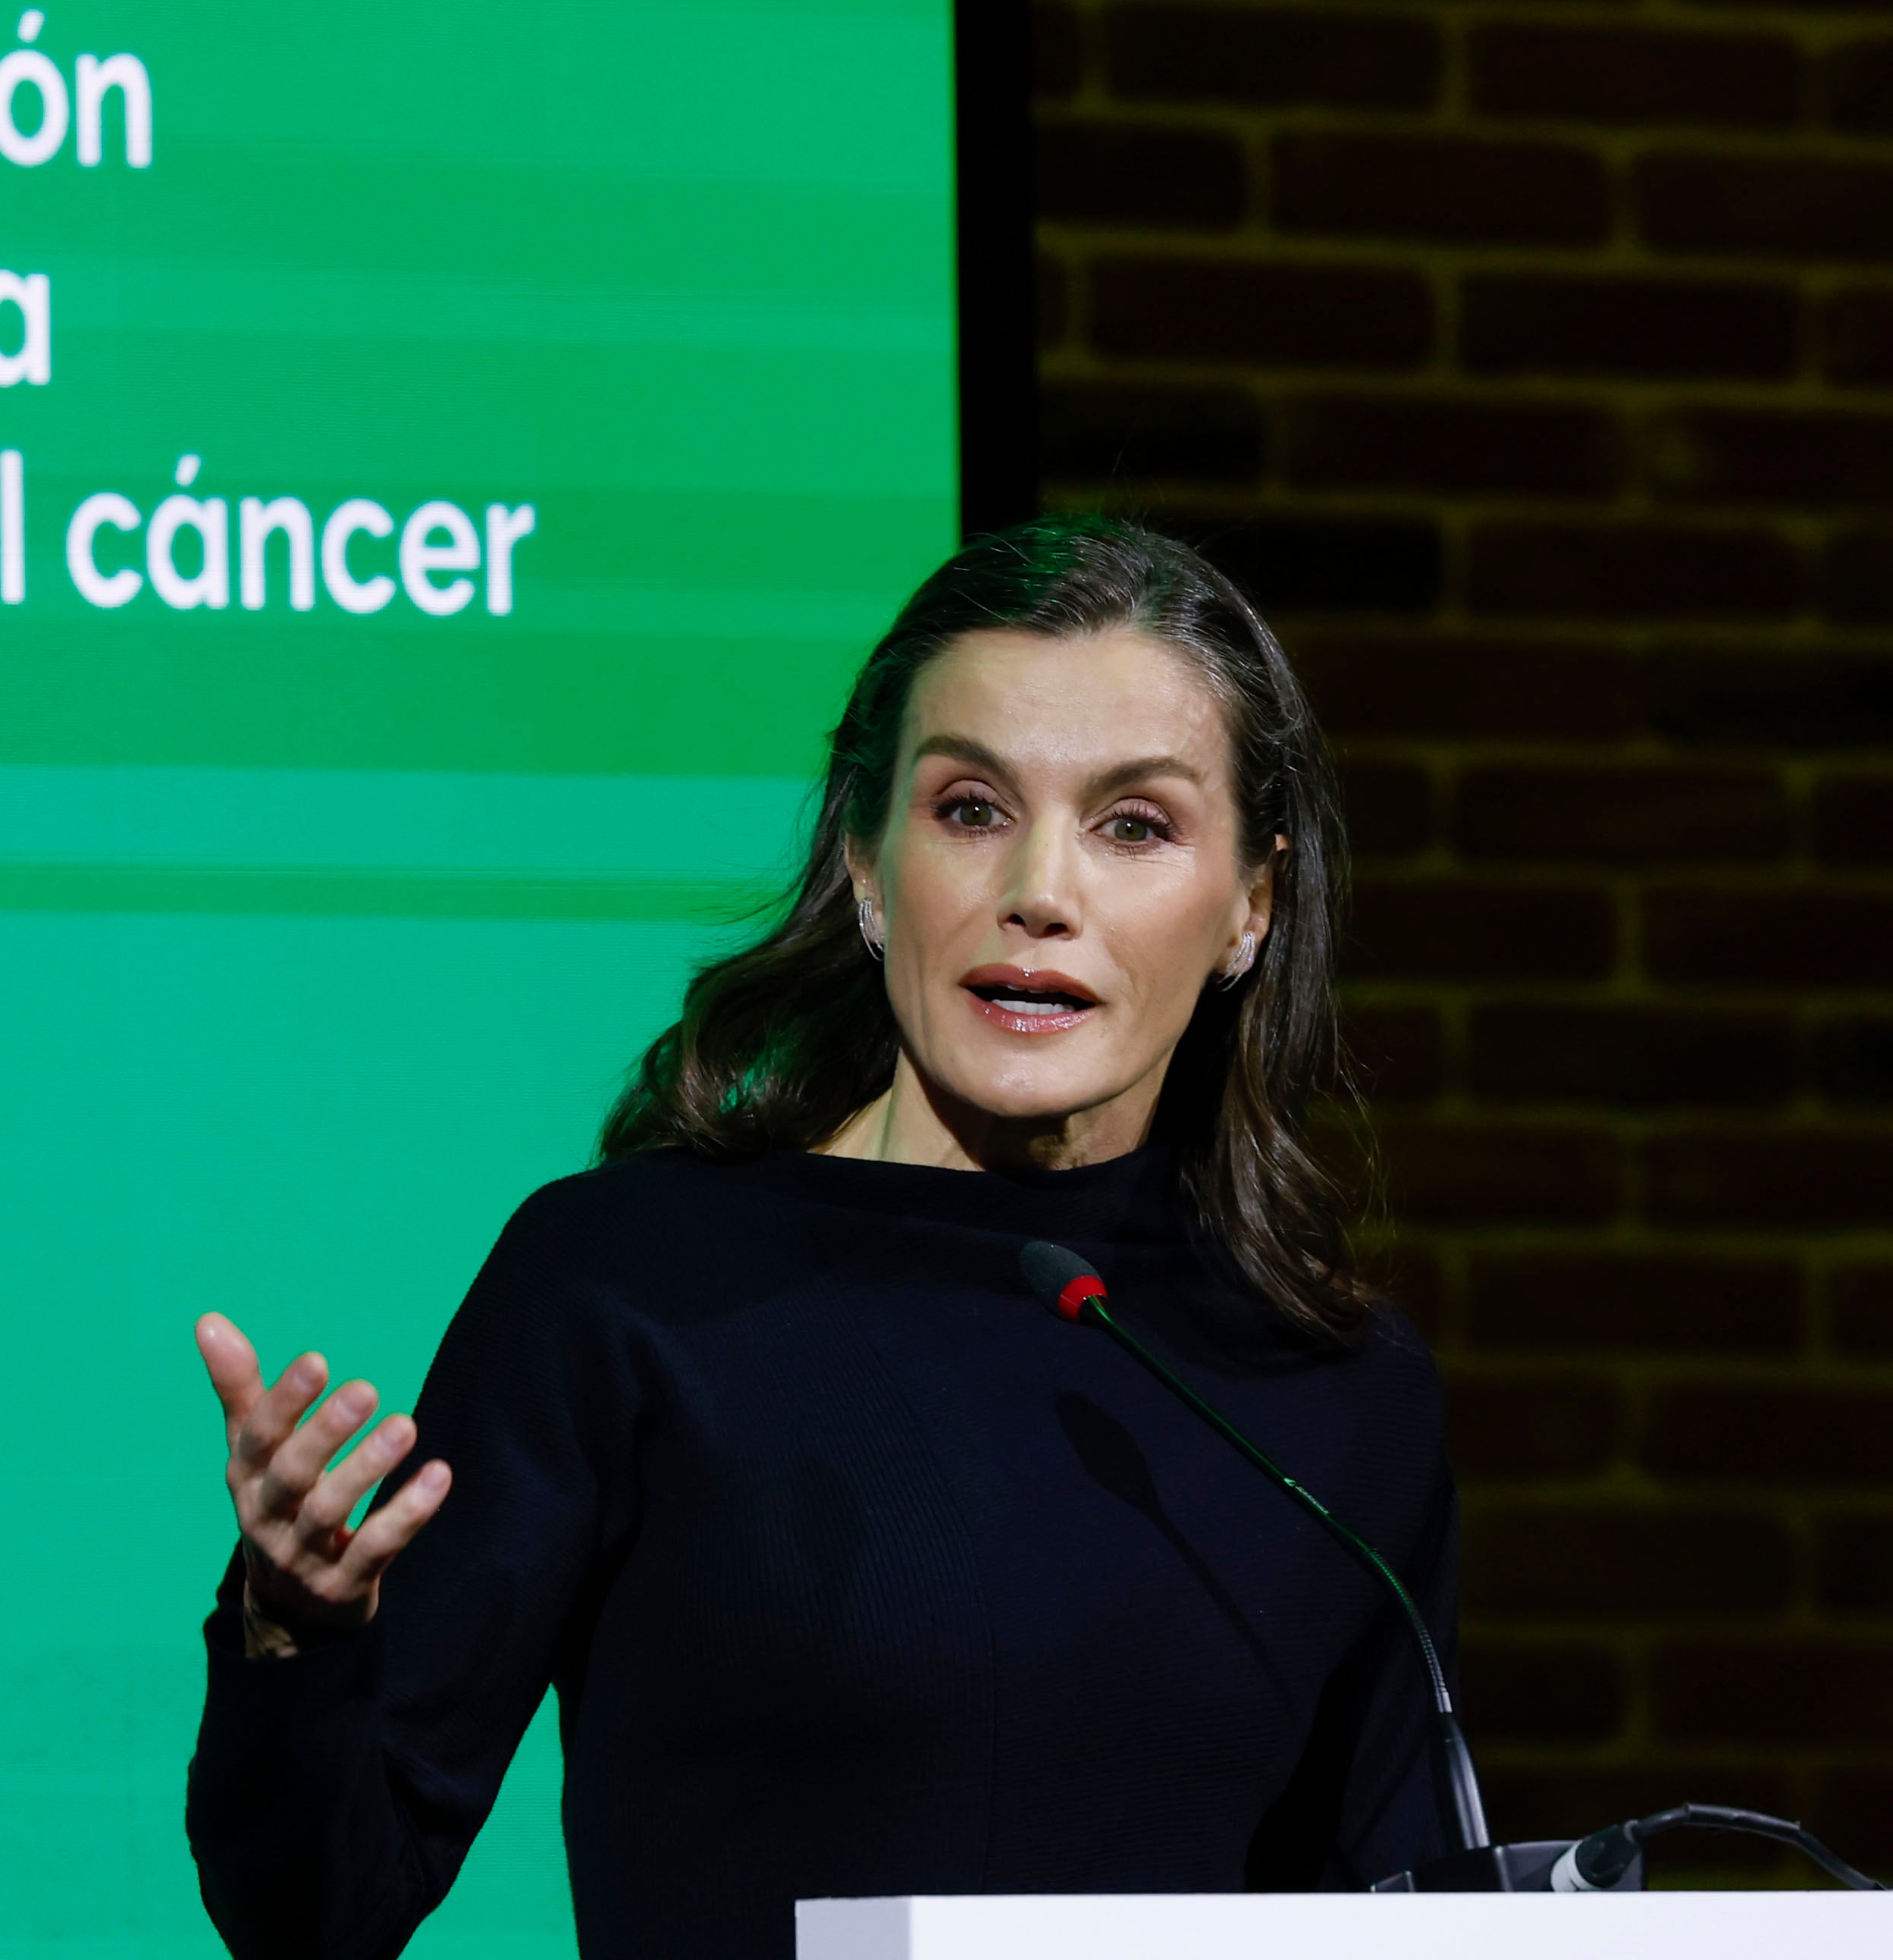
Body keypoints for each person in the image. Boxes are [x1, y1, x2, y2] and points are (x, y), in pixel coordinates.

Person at [183, 518, 1458, 1957]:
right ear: (865, 860)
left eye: (1135, 825)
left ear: (1252, 907)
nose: (1041, 893)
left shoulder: (1337, 1394)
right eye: (970, 808)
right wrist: (296, 1632)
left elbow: (1401, 1910)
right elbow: (319, 1913)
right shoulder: (626, 1286)